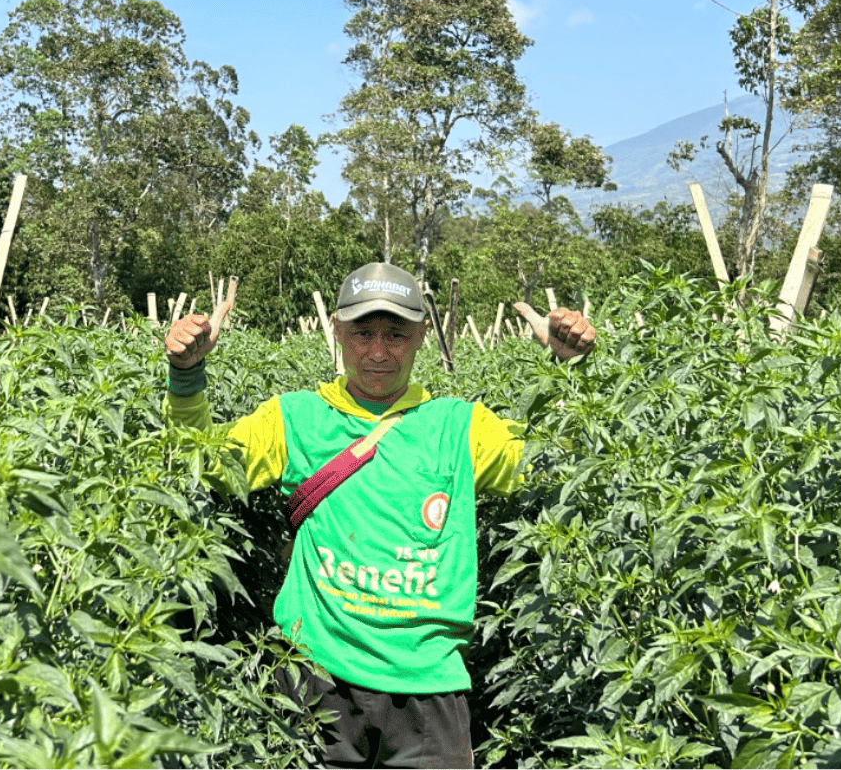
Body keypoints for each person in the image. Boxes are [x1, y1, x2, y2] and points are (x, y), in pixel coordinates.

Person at [163, 262, 596, 769]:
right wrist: (187, 376)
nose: (377, 351)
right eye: (362, 332)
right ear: (337, 331)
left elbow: (553, 466)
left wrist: (571, 370)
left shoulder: (459, 427)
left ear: (422, 338)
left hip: (428, 688)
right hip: (313, 679)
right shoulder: (295, 417)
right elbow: (205, 464)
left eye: (396, 334)